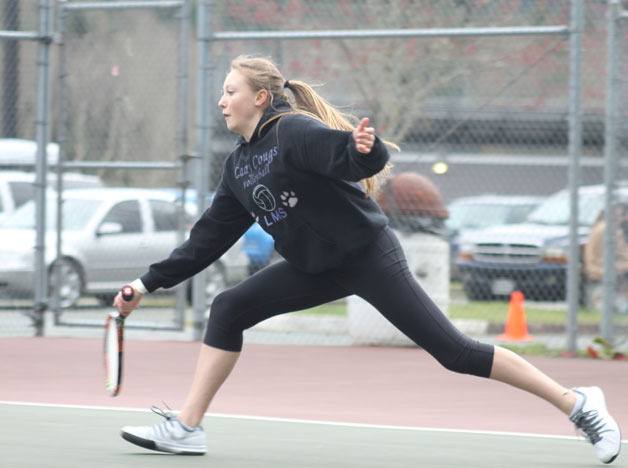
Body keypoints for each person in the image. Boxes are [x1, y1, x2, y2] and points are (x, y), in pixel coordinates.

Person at [114, 55, 621, 464]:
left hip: (369, 256)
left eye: (230, 91)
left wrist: (367, 150)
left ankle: (579, 406)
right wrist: (146, 283)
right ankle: (187, 428)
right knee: (228, 308)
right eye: (223, 91)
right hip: (316, 268)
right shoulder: (238, 166)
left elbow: (349, 157)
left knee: (456, 353)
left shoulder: (292, 131)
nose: (222, 100)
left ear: (260, 98)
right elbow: (206, 241)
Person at [584, 204, 628, 313]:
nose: (623, 219)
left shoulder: (601, 227)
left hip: (601, 268)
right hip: (600, 269)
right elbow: (622, 254)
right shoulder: (608, 229)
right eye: (620, 215)